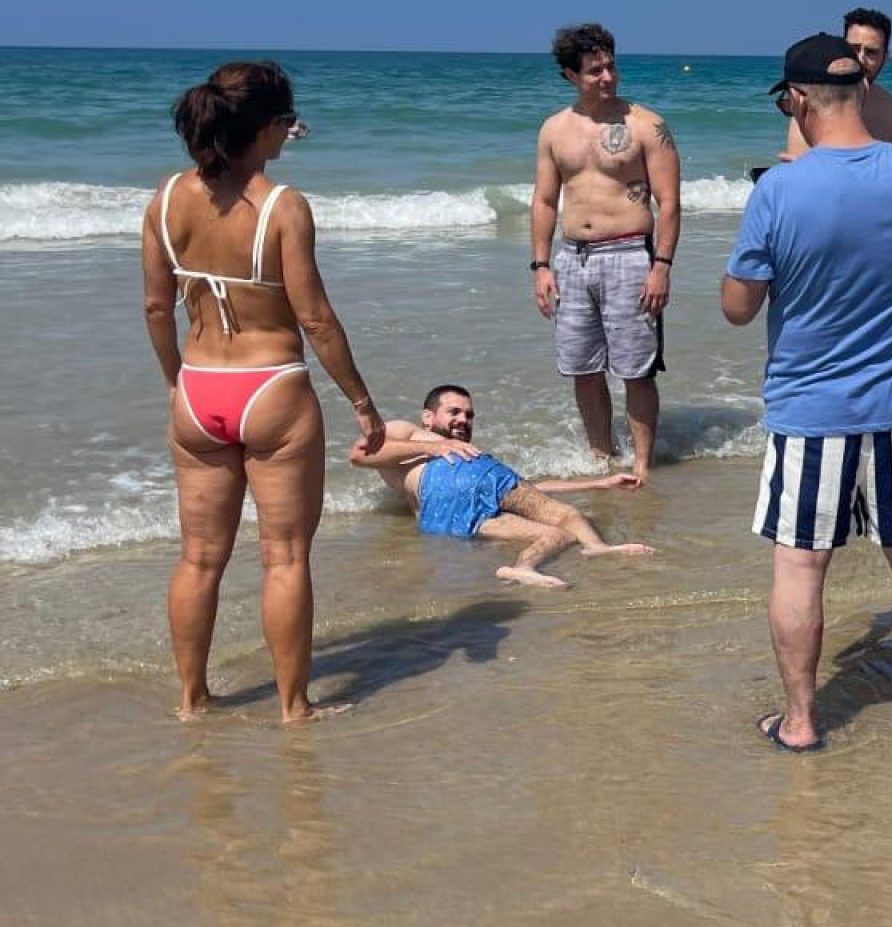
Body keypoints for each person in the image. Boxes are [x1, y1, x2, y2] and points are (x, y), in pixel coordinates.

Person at [723, 34, 892, 753]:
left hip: (811, 409)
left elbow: (739, 307)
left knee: (801, 564)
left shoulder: (779, 190)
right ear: (860, 89)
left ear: (794, 101)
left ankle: (800, 722)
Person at [141, 61, 385, 723]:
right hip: (270, 387)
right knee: (284, 555)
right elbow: (315, 319)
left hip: (199, 388)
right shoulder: (284, 206)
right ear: (268, 126)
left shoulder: (164, 200)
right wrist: (362, 402)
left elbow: (157, 311)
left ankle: (192, 701)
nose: (290, 135)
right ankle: (292, 708)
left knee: (198, 558)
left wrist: (175, 381)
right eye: (287, 123)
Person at [531, 23, 681, 487]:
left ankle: (640, 467)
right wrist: (540, 266)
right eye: (595, 70)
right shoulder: (555, 129)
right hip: (572, 259)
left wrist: (662, 267)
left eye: (611, 66)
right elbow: (543, 201)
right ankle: (601, 459)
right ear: (569, 75)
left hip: (631, 256)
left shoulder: (646, 125)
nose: (607, 77)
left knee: (636, 370)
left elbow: (670, 201)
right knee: (583, 368)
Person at [349, 385, 655, 589]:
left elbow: (530, 486)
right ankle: (550, 560)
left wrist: (599, 482)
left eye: (469, 415)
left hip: (476, 494)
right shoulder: (410, 433)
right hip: (449, 496)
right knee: (561, 526)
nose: (463, 419)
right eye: (453, 412)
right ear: (428, 417)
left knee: (564, 523)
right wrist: (435, 448)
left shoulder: (466, 449)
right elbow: (360, 453)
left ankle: (572, 554)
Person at [780, 8, 892, 159]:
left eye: (871, 52)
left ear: (885, 57)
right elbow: (800, 167)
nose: (861, 59)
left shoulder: (891, 108)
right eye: (854, 48)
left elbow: (887, 170)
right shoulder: (814, 101)